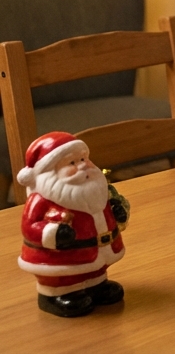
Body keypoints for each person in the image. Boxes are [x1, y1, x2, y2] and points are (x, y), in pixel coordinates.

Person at [15, 132, 130, 317]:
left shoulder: (96, 191)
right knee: (64, 277)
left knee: (96, 271)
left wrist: (117, 214)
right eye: (72, 163)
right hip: (58, 259)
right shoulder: (42, 199)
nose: (83, 165)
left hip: (96, 253)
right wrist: (55, 233)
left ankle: (97, 286)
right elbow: (30, 226)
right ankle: (55, 296)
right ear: (50, 172)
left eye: (84, 158)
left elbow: (104, 211)